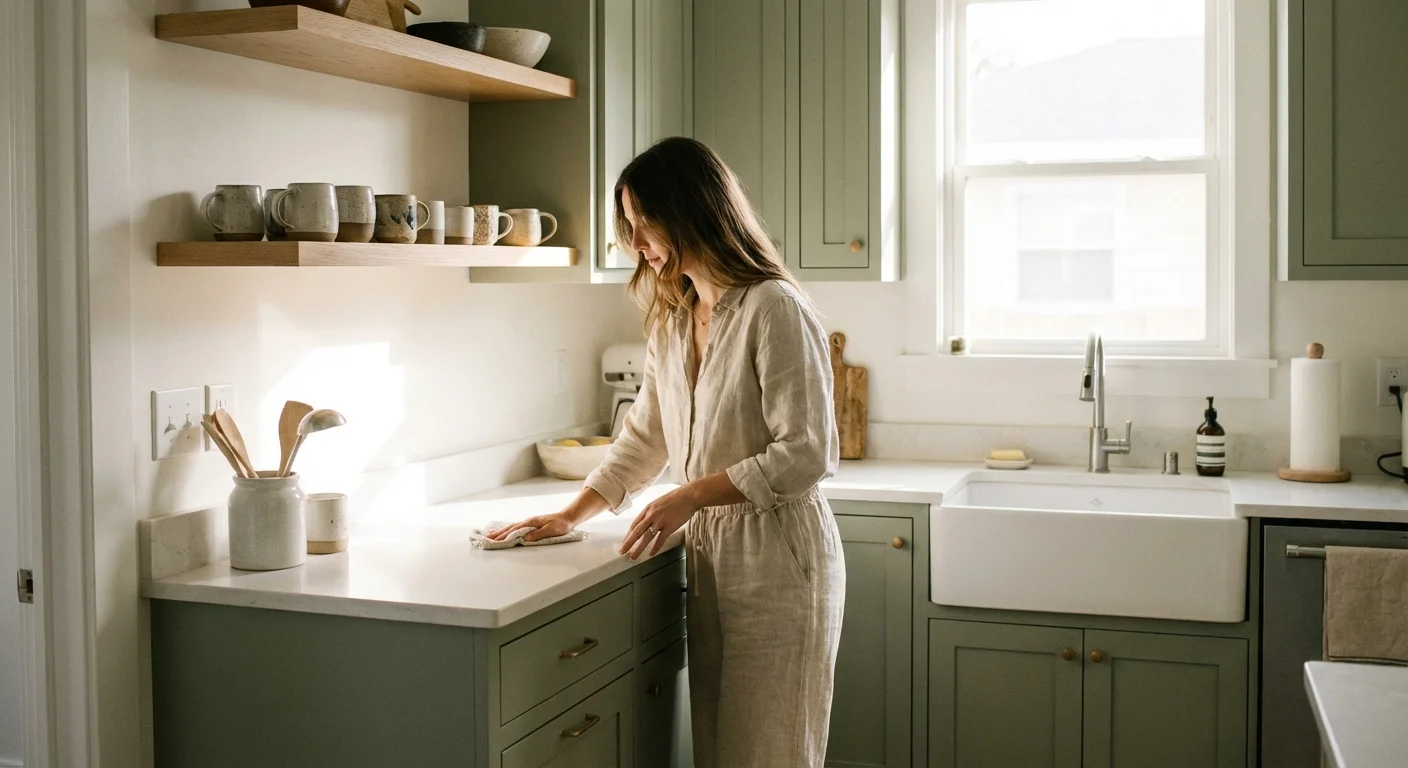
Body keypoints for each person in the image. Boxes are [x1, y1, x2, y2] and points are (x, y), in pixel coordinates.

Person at [489, 136, 844, 768]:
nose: (634, 242)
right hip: (712, 552)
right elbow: (645, 437)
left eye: (642, 223)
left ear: (691, 212)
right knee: (718, 746)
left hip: (782, 557)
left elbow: (806, 453)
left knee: (772, 749)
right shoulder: (675, 319)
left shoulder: (773, 308)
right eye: (627, 226)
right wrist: (573, 515)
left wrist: (689, 495)